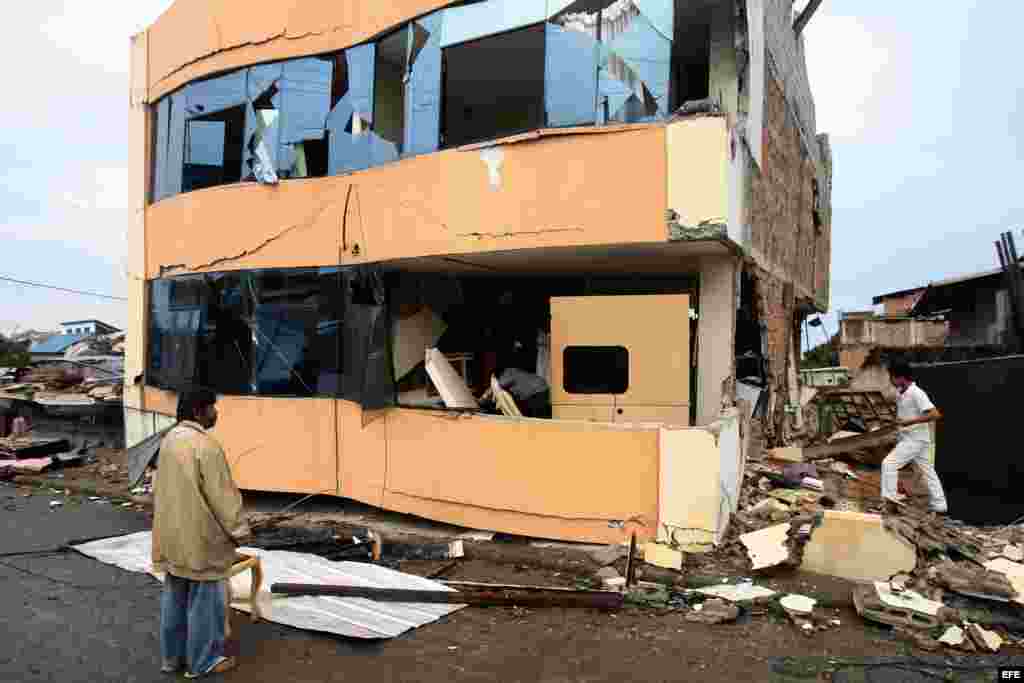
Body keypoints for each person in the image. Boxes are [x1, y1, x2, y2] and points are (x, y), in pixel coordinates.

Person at [153, 388, 250, 678]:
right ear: (198, 411)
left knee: (175, 598)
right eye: (212, 407)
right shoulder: (205, 446)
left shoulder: (168, 441)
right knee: (206, 604)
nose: (216, 413)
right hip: (201, 539)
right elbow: (224, 498)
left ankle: (172, 659)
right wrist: (240, 531)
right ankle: (203, 661)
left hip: (172, 536)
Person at [882, 361, 948, 515]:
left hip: (915, 439)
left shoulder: (916, 392)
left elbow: (935, 414)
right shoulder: (901, 392)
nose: (890, 380)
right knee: (928, 472)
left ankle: (890, 503)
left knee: (888, 464)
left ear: (901, 378)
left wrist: (909, 422)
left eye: (892, 377)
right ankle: (940, 506)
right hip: (912, 438)